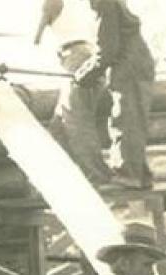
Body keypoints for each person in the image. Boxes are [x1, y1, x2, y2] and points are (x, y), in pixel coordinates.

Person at [74, 0, 156, 188]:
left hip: (129, 66)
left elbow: (107, 52)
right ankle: (140, 175)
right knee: (132, 117)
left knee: (125, 119)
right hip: (133, 63)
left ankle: (129, 175)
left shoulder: (104, 2)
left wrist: (82, 75)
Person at [34, 0, 114, 183]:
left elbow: (35, 40)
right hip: (87, 56)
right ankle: (54, 179)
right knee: (58, 124)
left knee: (76, 118)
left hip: (76, 59)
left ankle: (99, 175)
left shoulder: (52, 2)